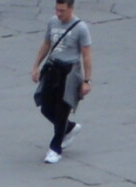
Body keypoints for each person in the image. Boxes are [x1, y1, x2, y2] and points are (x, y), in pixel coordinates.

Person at [32, 0, 93, 162]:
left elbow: (86, 55)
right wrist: (36, 66)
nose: (58, 14)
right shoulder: (53, 22)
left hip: (69, 73)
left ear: (71, 8)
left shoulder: (81, 28)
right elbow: (46, 44)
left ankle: (55, 148)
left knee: (61, 111)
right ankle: (69, 127)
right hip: (52, 69)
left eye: (62, 11)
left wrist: (87, 80)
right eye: (57, 10)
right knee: (45, 107)